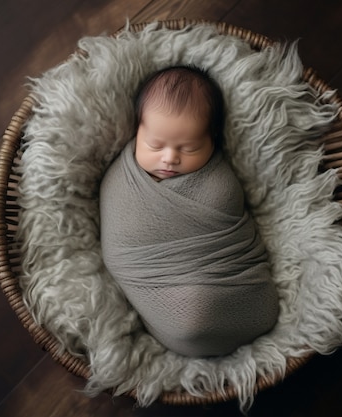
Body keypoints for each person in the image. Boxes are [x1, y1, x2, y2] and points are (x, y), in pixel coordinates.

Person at [100, 65, 279, 357]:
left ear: (213, 141)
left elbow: (231, 241)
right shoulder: (119, 180)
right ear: (137, 131)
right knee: (191, 320)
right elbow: (120, 243)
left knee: (199, 311)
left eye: (190, 148)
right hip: (155, 282)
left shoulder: (220, 185)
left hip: (227, 283)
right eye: (154, 145)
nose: (169, 158)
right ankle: (187, 325)